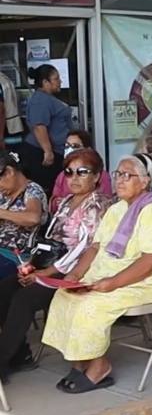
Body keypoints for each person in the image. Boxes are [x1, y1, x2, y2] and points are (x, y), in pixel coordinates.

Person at [41, 153, 152, 393]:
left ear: (144, 181)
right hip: (110, 276)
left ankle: (100, 366)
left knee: (90, 305)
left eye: (127, 176)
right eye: (118, 174)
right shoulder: (117, 208)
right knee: (65, 296)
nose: (119, 180)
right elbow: (96, 246)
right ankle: (81, 362)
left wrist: (113, 282)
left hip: (146, 282)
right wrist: (76, 275)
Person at [0, 148, 111, 380]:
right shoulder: (67, 201)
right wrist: (31, 265)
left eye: (82, 172)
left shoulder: (97, 204)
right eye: (69, 172)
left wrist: (46, 273)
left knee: (24, 299)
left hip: (75, 271)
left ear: (97, 176)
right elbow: (48, 241)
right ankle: (19, 355)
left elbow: (84, 248)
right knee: (4, 290)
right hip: (51, 265)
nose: (74, 178)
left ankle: (2, 361)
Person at [19, 64, 73, 192]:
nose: (60, 81)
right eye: (56, 79)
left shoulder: (48, 98)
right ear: (45, 82)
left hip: (55, 151)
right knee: (47, 188)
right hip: (42, 154)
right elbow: (39, 126)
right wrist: (48, 151)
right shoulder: (40, 100)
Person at [0, 151, 49, 278]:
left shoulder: (32, 190)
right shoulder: (3, 194)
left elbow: (33, 218)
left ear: (9, 172)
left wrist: (2, 213)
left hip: (15, 256)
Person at [50, 130, 113, 212]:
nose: (74, 178)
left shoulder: (102, 176)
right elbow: (54, 202)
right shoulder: (62, 175)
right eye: (67, 146)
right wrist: (59, 202)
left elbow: (106, 201)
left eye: (82, 172)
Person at [0, 70, 23, 150]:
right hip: (14, 128)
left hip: (5, 132)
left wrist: (0, 137)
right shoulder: (4, 78)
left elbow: (1, 111)